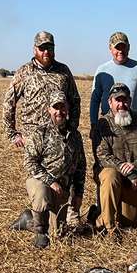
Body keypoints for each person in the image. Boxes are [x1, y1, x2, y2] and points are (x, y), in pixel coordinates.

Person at [92, 82, 137, 234]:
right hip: (113, 178)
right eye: (117, 100)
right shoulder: (103, 124)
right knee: (110, 175)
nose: (121, 104)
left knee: (129, 221)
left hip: (133, 183)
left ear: (130, 101)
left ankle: (98, 216)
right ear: (110, 102)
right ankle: (109, 228)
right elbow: (102, 155)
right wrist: (129, 172)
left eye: (125, 100)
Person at [22, 92, 86, 249]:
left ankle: (27, 220)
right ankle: (40, 233)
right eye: (55, 108)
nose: (59, 111)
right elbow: (29, 162)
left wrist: (78, 194)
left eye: (62, 107)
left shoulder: (75, 136)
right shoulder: (40, 133)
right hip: (41, 182)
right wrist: (51, 181)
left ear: (68, 109)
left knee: (58, 233)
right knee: (41, 190)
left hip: (62, 191)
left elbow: (80, 167)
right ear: (49, 110)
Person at [2, 30, 82, 148]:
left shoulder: (63, 71)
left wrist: (71, 127)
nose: (46, 52)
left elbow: (75, 100)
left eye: (49, 48)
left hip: (59, 138)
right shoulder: (24, 72)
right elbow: (9, 102)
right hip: (32, 138)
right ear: (34, 49)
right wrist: (12, 134)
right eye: (42, 48)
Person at [89, 31, 137, 128]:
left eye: (123, 47)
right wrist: (94, 123)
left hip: (135, 126)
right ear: (110, 48)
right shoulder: (102, 70)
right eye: (117, 48)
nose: (120, 51)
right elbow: (95, 100)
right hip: (109, 127)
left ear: (129, 47)